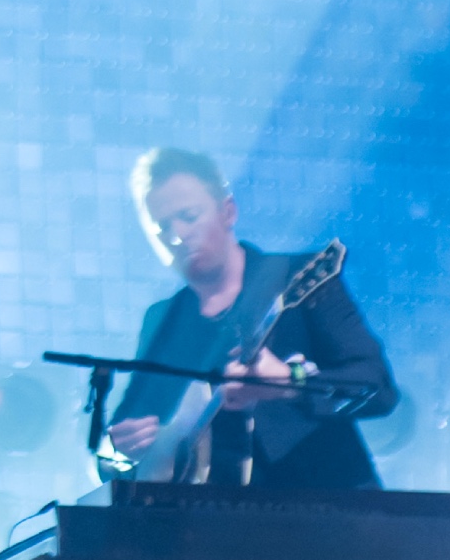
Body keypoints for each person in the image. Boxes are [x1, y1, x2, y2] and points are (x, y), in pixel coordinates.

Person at [106, 147, 399, 488]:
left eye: (188, 216)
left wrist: (293, 382)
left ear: (227, 212)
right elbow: (114, 450)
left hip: (328, 508)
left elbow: (377, 389)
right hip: (209, 526)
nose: (177, 235)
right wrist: (120, 451)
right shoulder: (164, 321)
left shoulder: (301, 279)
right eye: (161, 227)